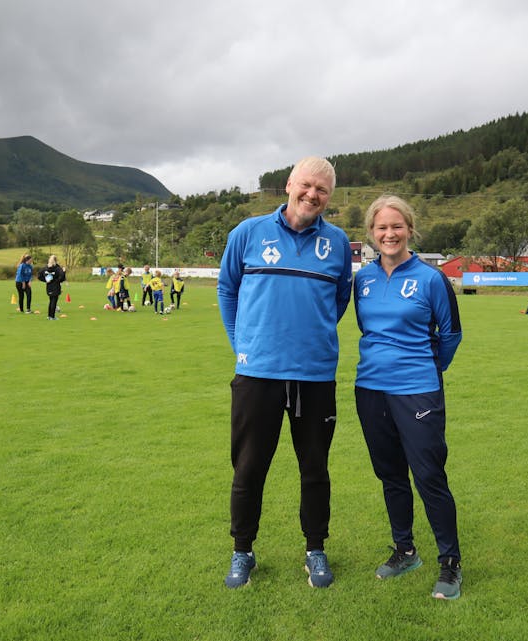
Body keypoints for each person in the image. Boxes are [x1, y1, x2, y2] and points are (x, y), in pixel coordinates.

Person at [217, 156, 352, 589]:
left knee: (315, 468)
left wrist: (308, 338)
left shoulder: (338, 242)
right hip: (258, 373)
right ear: (289, 184)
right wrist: (244, 346)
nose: (313, 195)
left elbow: (339, 302)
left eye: (323, 190)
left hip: (315, 375)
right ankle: (243, 551)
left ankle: (315, 549)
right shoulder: (248, 232)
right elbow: (227, 288)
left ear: (329, 197)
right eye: (307, 185)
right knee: (250, 467)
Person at [353, 195, 464, 599]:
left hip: (417, 391)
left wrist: (428, 370)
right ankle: (405, 550)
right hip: (370, 389)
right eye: (381, 227)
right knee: (390, 475)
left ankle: (450, 564)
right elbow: (368, 330)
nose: (389, 234)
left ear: (410, 229)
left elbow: (451, 334)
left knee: (429, 476)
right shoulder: (362, 280)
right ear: (371, 234)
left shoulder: (432, 279)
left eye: (396, 226)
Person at [38, 254, 66, 320]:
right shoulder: (57, 268)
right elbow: (62, 278)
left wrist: (45, 280)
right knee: (54, 301)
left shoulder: (45, 268)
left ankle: (49, 316)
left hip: (49, 287)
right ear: (56, 260)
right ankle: (52, 317)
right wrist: (64, 272)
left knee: (51, 301)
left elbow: (39, 276)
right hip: (55, 286)